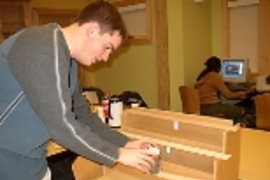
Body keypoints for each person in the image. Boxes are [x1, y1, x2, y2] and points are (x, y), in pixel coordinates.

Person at [0, 2, 158, 180]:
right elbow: (61, 125)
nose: (106, 58)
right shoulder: (40, 43)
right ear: (92, 30)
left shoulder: (68, 63)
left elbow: (84, 116)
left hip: (31, 164)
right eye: (107, 47)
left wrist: (126, 143)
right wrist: (117, 154)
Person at [195, 56, 254, 124]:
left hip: (201, 107)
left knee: (230, 107)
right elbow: (229, 95)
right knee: (242, 111)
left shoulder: (203, 76)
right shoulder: (214, 76)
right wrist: (244, 93)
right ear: (218, 67)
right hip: (211, 107)